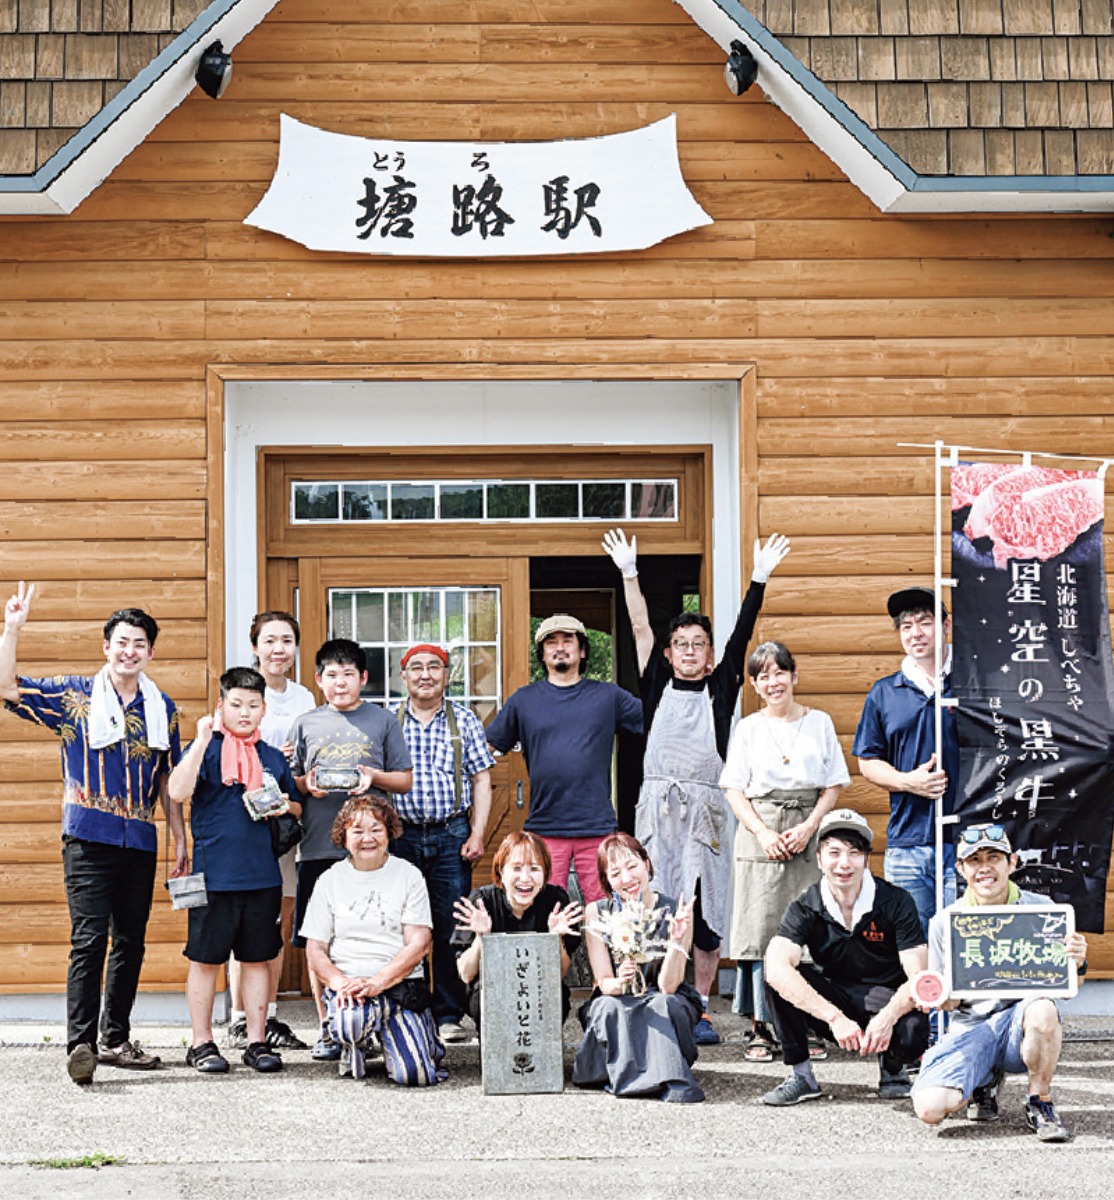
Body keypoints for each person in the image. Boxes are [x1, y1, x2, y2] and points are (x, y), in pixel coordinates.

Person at [602, 528, 790, 1046]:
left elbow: (744, 633)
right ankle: (654, 994)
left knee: (705, 909)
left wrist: (759, 577)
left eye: (698, 645)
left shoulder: (722, 684)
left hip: (707, 807)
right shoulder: (655, 683)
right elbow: (639, 624)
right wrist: (629, 572)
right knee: (650, 899)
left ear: (709, 656)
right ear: (667, 654)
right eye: (680, 644)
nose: (689, 651)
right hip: (657, 806)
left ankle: (702, 1007)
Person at [0, 583, 184, 1085]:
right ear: (107, 646)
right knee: (88, 941)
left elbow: (168, 778)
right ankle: (79, 1045)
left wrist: (181, 839)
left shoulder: (161, 707)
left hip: (140, 839)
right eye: (122, 642)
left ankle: (115, 1039)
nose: (130, 651)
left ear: (149, 651)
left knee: (132, 942)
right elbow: (8, 688)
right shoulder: (74, 694)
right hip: (87, 835)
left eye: (140, 644)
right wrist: (12, 629)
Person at [911, 823, 1087, 1142]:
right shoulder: (944, 923)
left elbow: (1069, 987)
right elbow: (946, 1001)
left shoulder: (1043, 911)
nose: (985, 868)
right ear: (961, 868)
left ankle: (1039, 1101)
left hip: (1019, 1023)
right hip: (970, 1028)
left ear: (1013, 862)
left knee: (1044, 1009)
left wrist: (1079, 960)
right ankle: (983, 1081)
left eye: (994, 857)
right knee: (930, 1108)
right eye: (974, 860)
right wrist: (938, 997)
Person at [719, 640, 849, 1062]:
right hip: (760, 830)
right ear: (755, 685)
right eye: (763, 676)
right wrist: (762, 833)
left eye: (780, 672)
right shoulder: (748, 728)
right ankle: (761, 1027)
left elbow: (833, 783)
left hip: (809, 830)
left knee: (809, 929)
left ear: (794, 676)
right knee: (760, 927)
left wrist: (810, 826)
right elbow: (734, 789)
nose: (773, 682)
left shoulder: (820, 722)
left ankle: (809, 1024)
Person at [168, 667, 299, 1075]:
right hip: (212, 875)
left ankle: (256, 1041)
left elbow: (296, 806)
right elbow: (177, 791)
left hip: (262, 875)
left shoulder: (272, 756)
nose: (245, 713)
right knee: (205, 960)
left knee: (258, 959)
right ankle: (202, 1042)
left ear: (264, 709)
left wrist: (280, 803)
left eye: (253, 705)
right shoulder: (205, 749)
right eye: (236, 705)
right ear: (221, 705)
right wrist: (203, 739)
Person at [288, 638, 413, 1060]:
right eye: (331, 675)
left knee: (376, 927)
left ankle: (379, 1016)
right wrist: (309, 784)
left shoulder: (382, 721)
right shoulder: (306, 723)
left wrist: (372, 776)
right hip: (318, 843)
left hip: (373, 848)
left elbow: (405, 780)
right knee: (318, 938)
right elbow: (292, 785)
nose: (340, 683)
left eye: (348, 675)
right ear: (319, 680)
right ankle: (328, 1025)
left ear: (363, 678)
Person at [762, 808, 929, 1106]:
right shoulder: (806, 905)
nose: (844, 864)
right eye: (834, 852)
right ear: (819, 858)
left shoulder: (896, 901)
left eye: (854, 853)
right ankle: (801, 1076)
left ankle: (893, 1069)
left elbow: (920, 977)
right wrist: (834, 1018)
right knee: (777, 981)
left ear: (866, 858)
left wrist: (887, 1018)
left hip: (886, 997)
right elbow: (775, 967)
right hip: (836, 998)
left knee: (915, 1027)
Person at [485, 614, 642, 904]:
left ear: (582, 650)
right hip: (545, 826)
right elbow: (486, 747)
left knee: (607, 909)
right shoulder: (524, 700)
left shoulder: (608, 696)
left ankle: (607, 952)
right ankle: (559, 953)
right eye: (551, 642)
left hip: (596, 824)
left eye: (567, 641)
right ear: (542, 654)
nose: (559, 647)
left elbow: (659, 720)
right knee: (545, 908)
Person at [300, 795, 447, 1086]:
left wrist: (377, 982)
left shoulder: (409, 875)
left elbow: (419, 942)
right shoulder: (328, 880)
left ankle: (421, 1036)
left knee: (414, 1076)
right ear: (343, 837)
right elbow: (315, 950)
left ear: (390, 832)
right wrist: (343, 984)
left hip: (397, 987)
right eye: (357, 831)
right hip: (349, 987)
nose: (367, 838)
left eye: (376, 829)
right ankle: (353, 1043)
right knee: (351, 1022)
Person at [390, 642, 496, 1044]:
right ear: (404, 677)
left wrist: (478, 833)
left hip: (451, 834)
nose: (425, 674)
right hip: (400, 835)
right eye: (416, 667)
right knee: (405, 925)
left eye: (434, 666)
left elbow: (481, 778)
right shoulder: (389, 722)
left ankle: (449, 1013)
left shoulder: (464, 720)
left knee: (452, 927)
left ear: (446, 674)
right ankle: (408, 1006)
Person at [226, 610, 316, 1052]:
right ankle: (240, 1017)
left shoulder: (304, 698)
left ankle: (271, 1015)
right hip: (243, 824)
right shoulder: (241, 692)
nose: (279, 649)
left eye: (287, 640)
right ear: (256, 646)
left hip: (285, 822)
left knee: (277, 919)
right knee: (242, 917)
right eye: (270, 640)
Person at [852, 586, 958, 937]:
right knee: (913, 945)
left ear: (945, 626)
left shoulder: (973, 682)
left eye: (925, 622)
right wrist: (908, 781)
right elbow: (868, 761)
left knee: (966, 940)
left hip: (967, 841)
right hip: (908, 842)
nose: (916, 633)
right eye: (906, 625)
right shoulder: (885, 692)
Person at [572, 832, 704, 1103]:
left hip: (663, 993)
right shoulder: (597, 912)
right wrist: (620, 981)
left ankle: (654, 1076)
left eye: (632, 866)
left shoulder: (673, 910)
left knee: (661, 1004)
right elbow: (604, 982)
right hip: (617, 994)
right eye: (616, 872)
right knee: (609, 1007)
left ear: (646, 864)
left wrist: (678, 938)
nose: (627, 878)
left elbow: (669, 986)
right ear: (607, 880)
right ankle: (649, 1076)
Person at [452, 831, 583, 1027]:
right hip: (491, 993)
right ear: (501, 872)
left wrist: (555, 939)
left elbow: (560, 973)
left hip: (540, 991)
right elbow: (466, 974)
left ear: (545, 873)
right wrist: (481, 937)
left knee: (555, 996)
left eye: (534, 869)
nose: (525, 878)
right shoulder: (482, 902)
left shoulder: (555, 901)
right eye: (516, 868)